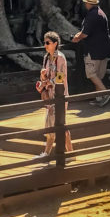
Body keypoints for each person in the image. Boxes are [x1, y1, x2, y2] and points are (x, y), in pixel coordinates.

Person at [35, 31, 73, 159]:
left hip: (60, 95)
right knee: (50, 124)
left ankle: (71, 154)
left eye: (47, 43)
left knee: (60, 124)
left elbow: (61, 77)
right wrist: (43, 76)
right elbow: (46, 74)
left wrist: (48, 82)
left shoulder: (60, 58)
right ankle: (47, 153)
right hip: (51, 96)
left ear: (55, 43)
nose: (45, 45)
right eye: (44, 43)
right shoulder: (46, 57)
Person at [72, 0, 110, 106]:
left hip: (93, 50)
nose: (85, 5)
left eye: (86, 3)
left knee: (91, 74)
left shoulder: (91, 16)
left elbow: (84, 34)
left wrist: (76, 38)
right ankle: (99, 99)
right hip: (104, 49)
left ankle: (106, 93)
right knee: (98, 76)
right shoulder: (102, 13)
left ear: (89, 4)